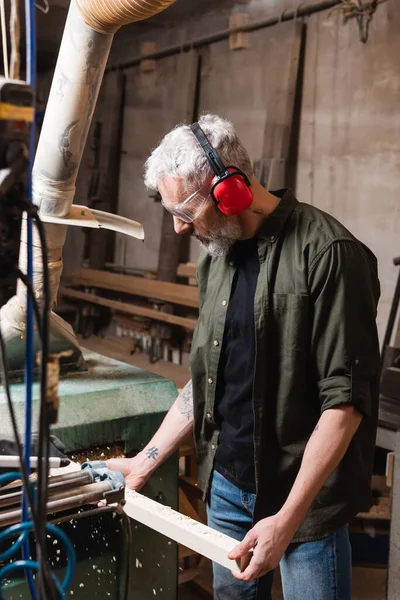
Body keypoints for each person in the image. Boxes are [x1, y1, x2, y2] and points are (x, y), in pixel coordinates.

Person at [107, 114, 380, 600]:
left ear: (230, 190)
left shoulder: (329, 253)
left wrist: (287, 520)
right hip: (229, 491)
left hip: (304, 506)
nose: (177, 226)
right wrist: (145, 461)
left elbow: (345, 403)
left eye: (185, 211)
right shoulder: (218, 256)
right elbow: (208, 379)